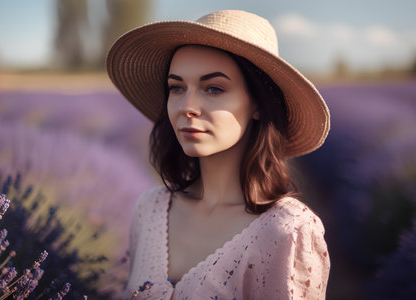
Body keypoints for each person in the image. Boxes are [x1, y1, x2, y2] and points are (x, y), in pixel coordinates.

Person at [107, 9, 330, 300]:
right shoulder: (150, 209)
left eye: (213, 88)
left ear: (258, 104)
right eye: (176, 88)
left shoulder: (288, 231)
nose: (187, 106)